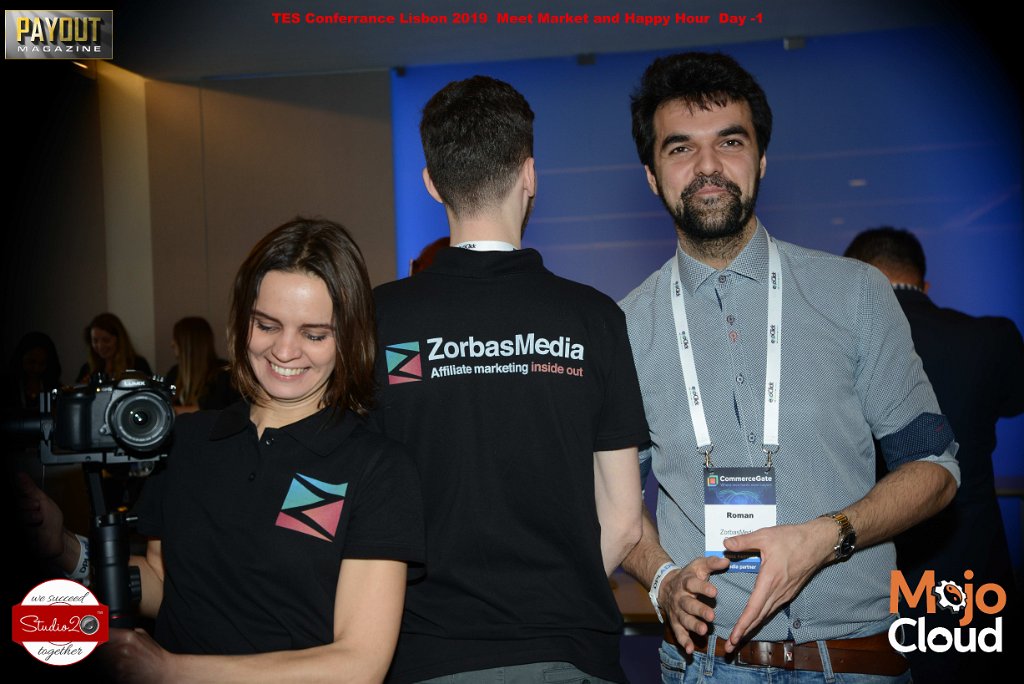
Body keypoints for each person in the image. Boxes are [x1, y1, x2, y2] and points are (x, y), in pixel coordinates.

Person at [617, 52, 960, 682]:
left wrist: (828, 536)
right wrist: (661, 578)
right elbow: (612, 502)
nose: (708, 166)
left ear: (762, 159)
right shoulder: (625, 328)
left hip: (853, 661)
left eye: (730, 142)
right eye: (680, 148)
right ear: (651, 175)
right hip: (705, 668)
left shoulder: (854, 294)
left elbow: (936, 469)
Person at [18, 217, 425, 682]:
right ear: (242, 319)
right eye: (267, 325)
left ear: (349, 338)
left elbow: (359, 663)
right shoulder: (188, 439)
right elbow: (163, 583)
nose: (285, 351)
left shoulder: (377, 468)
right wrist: (65, 548)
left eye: (314, 334)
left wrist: (173, 671)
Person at [372, 76, 648, 683]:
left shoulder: (378, 319)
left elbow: (352, 504)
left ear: (431, 183)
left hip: (423, 653)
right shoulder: (594, 318)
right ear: (529, 175)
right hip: (567, 651)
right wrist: (555, 601)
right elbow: (625, 518)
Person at [844, 226, 1022, 682]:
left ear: (855, 280)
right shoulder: (992, 338)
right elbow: (1013, 402)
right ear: (924, 283)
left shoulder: (837, 348)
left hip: (872, 570)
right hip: (972, 570)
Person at [164, 316, 240, 413]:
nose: (172, 343)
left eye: (176, 338)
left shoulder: (224, 373)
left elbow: (218, 409)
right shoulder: (174, 373)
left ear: (189, 343)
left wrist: (173, 411)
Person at [77, 312, 153, 383]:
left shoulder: (138, 365)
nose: (100, 346)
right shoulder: (87, 369)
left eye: (106, 340)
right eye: (95, 341)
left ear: (119, 340)